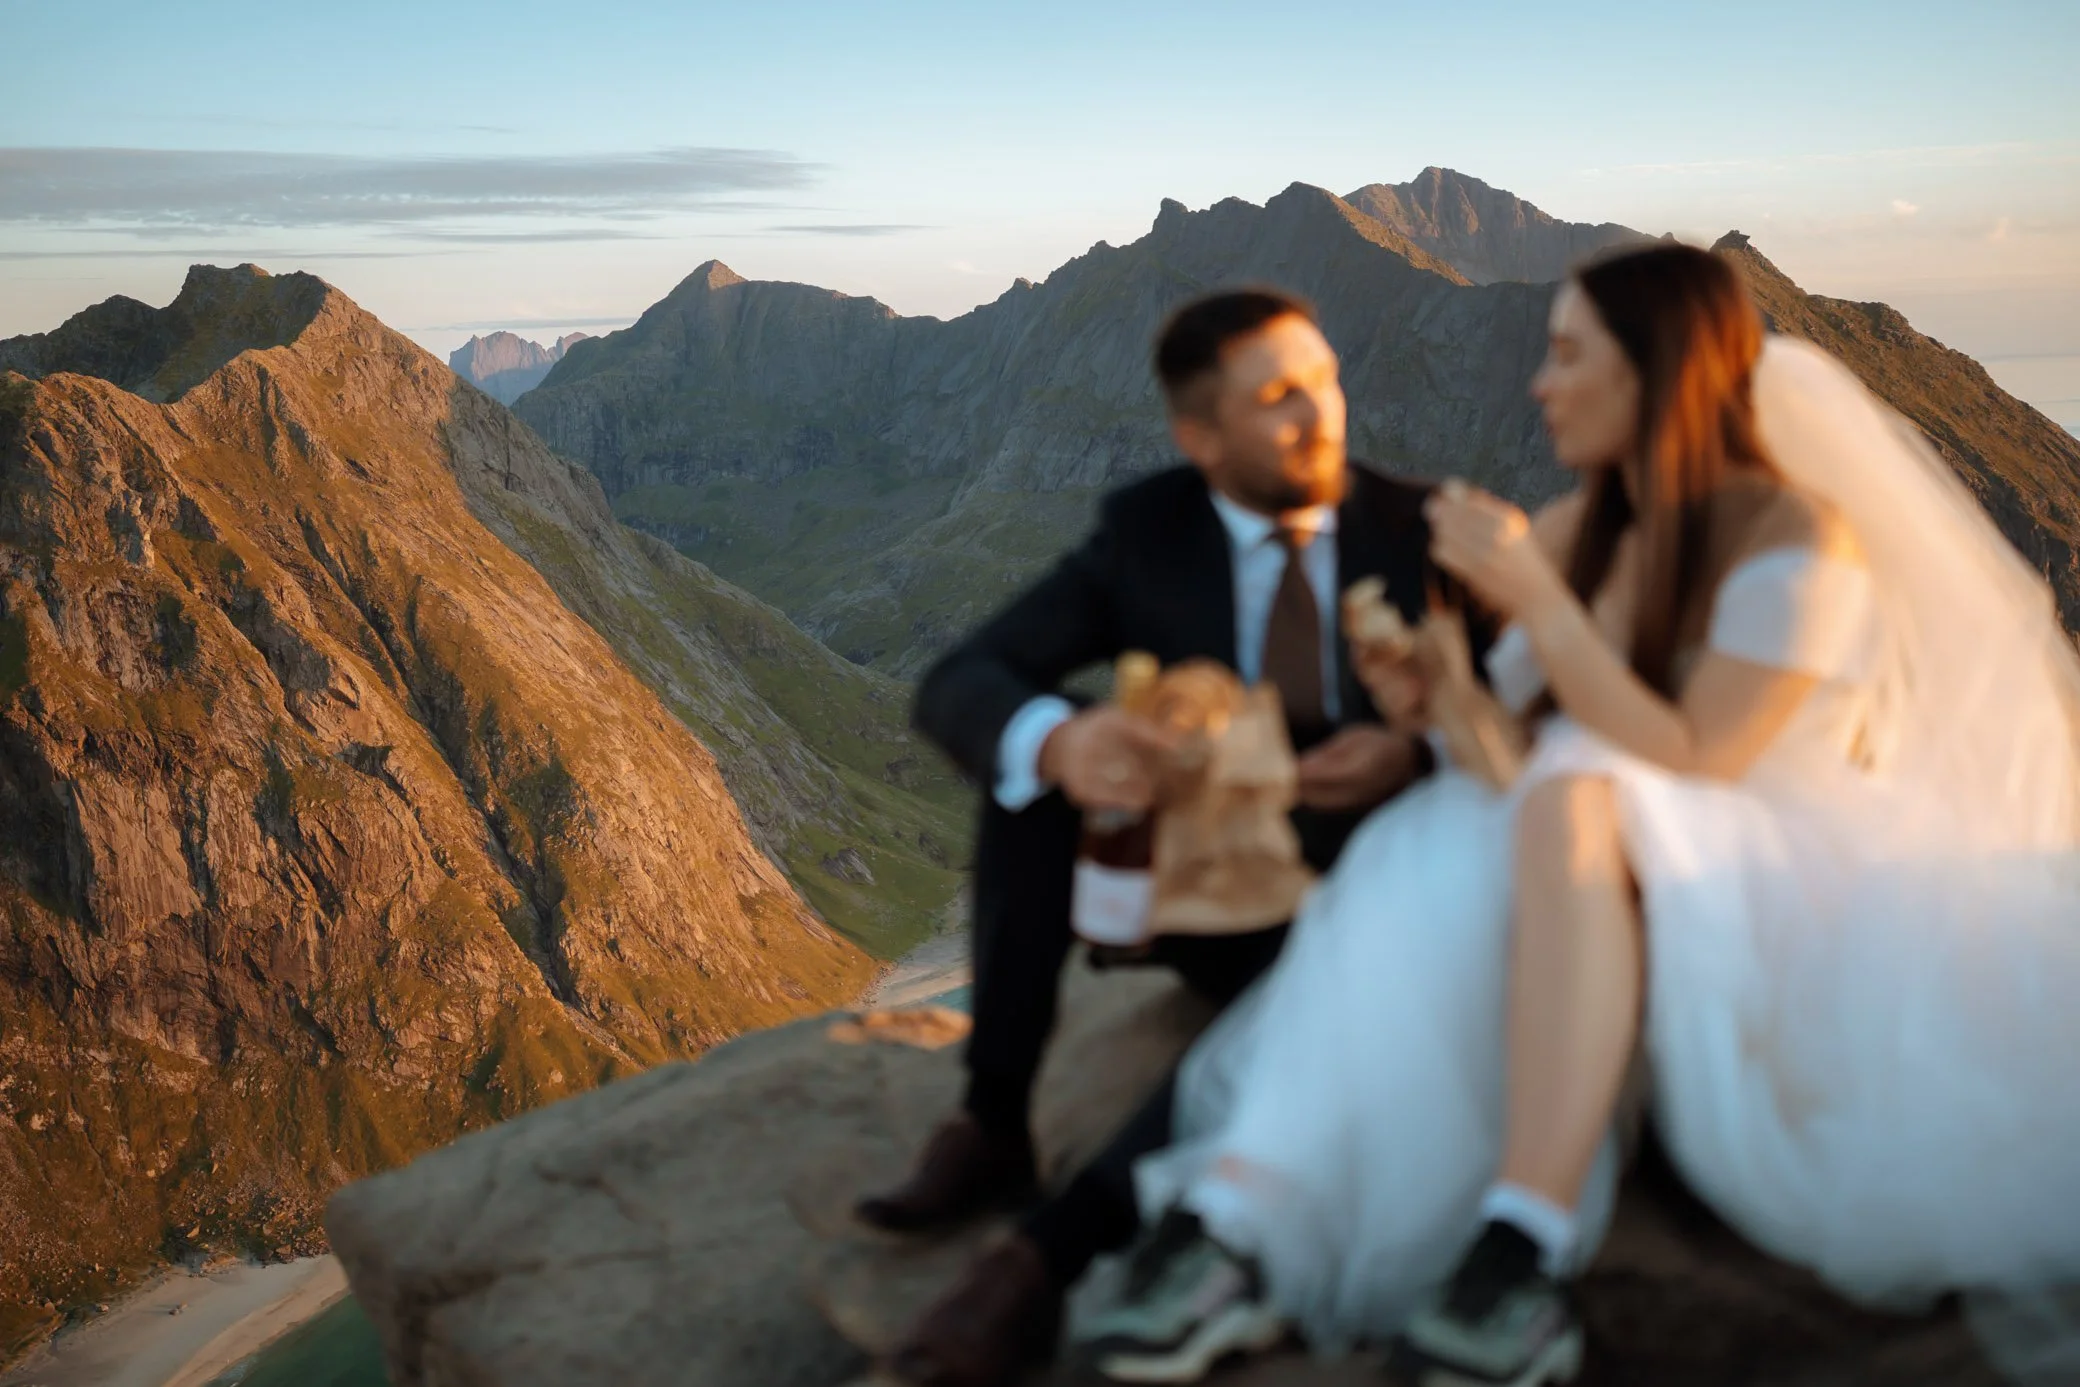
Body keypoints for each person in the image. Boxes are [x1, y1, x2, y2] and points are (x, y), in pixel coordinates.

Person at [1083, 243, 2080, 1387]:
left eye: (1567, 356)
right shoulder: (1576, 528)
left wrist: (1540, 606)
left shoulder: (1796, 540)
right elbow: (1495, 755)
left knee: (1565, 793)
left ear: (1654, 376)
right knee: (1429, 846)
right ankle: (1242, 1218)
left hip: (1755, 876)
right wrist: (1439, 697)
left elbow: (1703, 755)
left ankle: (1525, 1248)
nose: (1539, 384)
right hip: (1580, 854)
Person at [867, 287, 1466, 1387]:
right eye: (1278, 398)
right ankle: (994, 1119)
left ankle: (1039, 1262)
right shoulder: (1147, 532)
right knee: (1030, 788)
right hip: (1197, 902)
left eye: (1324, 380)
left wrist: (1411, 754)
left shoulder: (1422, 530)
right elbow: (967, 680)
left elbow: (1541, 731)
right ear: (1201, 437)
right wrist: (1060, 742)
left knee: (1313, 993)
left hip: (1369, 910)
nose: (1319, 414)